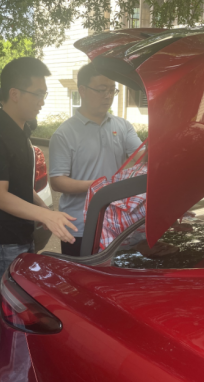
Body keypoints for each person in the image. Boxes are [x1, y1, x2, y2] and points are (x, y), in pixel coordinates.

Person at [0, 57, 77, 320]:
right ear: (15, 94)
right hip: (2, 242)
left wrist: (44, 211)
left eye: (45, 94)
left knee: (24, 309)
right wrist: (45, 215)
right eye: (38, 94)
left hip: (21, 235)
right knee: (10, 314)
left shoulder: (21, 130)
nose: (42, 100)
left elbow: (20, 185)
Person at [49, 63, 143, 257]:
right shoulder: (64, 133)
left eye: (112, 90)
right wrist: (100, 186)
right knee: (81, 275)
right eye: (101, 90)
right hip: (79, 227)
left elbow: (142, 156)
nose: (108, 96)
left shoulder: (123, 126)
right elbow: (57, 181)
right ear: (82, 91)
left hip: (117, 222)